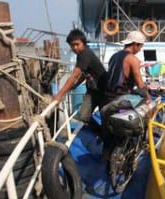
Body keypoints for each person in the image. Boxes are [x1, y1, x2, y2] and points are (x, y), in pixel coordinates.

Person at [100, 30, 150, 159]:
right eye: (141, 46)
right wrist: (147, 97)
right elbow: (140, 84)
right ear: (135, 45)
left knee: (108, 131)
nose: (140, 49)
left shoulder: (113, 57)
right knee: (145, 112)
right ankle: (137, 145)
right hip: (121, 97)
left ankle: (106, 153)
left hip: (107, 97)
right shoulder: (133, 59)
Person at [54, 29, 107, 129]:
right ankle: (100, 133)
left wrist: (59, 95)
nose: (75, 47)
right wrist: (76, 85)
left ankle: (106, 137)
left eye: (77, 44)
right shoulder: (80, 55)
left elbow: (74, 75)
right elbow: (84, 73)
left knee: (105, 117)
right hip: (92, 91)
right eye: (72, 45)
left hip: (103, 90)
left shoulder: (85, 54)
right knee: (83, 116)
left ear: (83, 43)